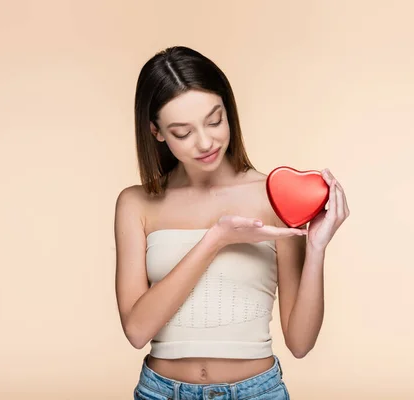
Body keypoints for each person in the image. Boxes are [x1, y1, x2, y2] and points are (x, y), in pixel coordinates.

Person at [114, 46, 350, 400]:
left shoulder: (275, 195)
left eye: (214, 120)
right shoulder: (136, 204)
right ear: (157, 132)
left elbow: (300, 343)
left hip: (257, 392)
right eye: (183, 132)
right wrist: (216, 239)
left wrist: (316, 248)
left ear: (229, 110)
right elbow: (136, 330)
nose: (206, 142)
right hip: (161, 392)